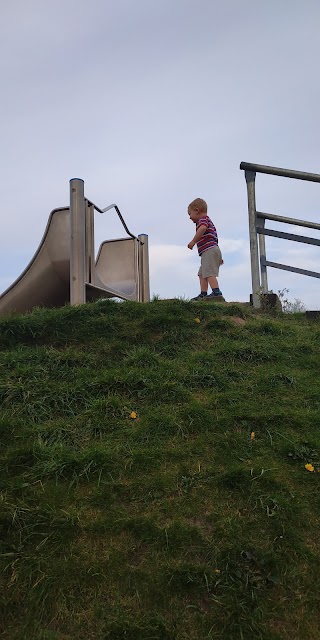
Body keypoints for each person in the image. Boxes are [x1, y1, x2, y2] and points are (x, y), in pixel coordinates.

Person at [187, 197, 224, 301]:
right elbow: (214, 238)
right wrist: (218, 257)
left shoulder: (203, 220)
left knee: (208, 273)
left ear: (197, 210)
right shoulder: (208, 221)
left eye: (190, 214)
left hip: (209, 250)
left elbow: (202, 228)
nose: (190, 217)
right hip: (211, 251)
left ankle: (216, 292)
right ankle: (203, 293)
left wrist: (193, 241)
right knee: (202, 273)